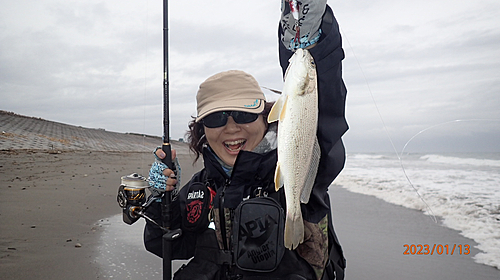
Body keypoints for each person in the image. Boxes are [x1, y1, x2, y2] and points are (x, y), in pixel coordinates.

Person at [144, 1, 348, 279]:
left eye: (243, 115)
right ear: (202, 130)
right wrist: (159, 199)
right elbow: (164, 243)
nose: (231, 128)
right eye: (216, 119)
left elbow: (322, 106)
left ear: (268, 117)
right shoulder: (200, 187)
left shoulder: (295, 168)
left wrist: (311, 39)